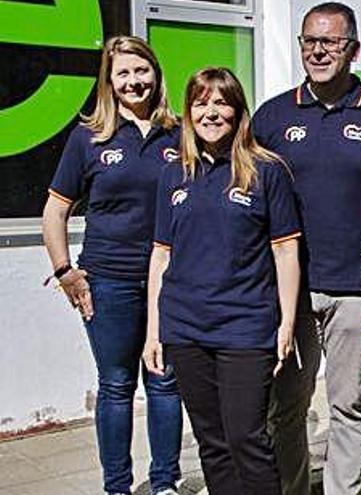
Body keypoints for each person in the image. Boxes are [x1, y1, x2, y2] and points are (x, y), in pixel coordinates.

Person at [251, 2, 361, 493]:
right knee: (286, 408)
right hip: (287, 292)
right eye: (309, 41)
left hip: (356, 292)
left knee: (350, 408)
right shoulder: (272, 117)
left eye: (330, 42)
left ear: (353, 50)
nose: (318, 51)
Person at [142, 67, 302, 495]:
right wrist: (153, 332)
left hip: (245, 326)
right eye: (200, 102)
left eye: (221, 102)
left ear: (237, 110)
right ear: (188, 111)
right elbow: (161, 254)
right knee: (211, 443)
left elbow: (286, 251)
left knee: (246, 438)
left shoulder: (266, 171)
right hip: (185, 327)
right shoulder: (174, 173)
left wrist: (286, 323)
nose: (210, 112)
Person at [41, 35, 182, 495]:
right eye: (123, 73)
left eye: (141, 70)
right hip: (110, 281)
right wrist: (66, 272)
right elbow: (55, 210)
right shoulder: (89, 137)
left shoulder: (180, 134)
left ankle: (164, 483)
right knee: (117, 385)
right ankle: (117, 487)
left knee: (163, 380)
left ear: (156, 74)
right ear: (110, 81)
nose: (133, 81)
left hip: (171, 282)